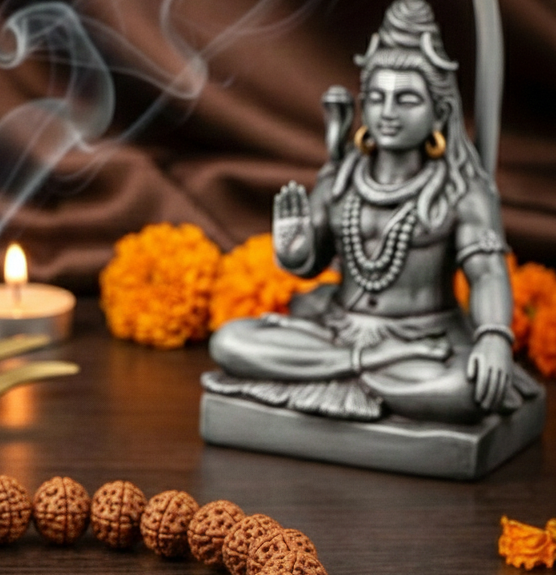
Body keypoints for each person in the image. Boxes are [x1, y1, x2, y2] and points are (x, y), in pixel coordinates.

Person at [206, 0, 536, 424]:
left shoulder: (462, 191)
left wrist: (493, 336)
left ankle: (336, 373)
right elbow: (313, 261)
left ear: (439, 112)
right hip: (338, 329)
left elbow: (488, 273)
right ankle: (367, 366)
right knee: (230, 341)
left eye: (406, 100)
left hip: (425, 339)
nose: (388, 113)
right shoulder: (341, 177)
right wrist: (295, 252)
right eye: (377, 98)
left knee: (468, 388)